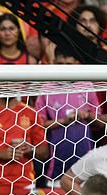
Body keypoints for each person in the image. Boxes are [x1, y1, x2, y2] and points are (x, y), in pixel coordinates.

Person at [35, 46, 100, 186]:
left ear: (76, 64)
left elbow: (99, 120)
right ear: (54, 62)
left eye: (68, 65)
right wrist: (63, 121)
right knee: (54, 190)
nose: (65, 68)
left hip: (84, 151)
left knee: (84, 189)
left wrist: (86, 115)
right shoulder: (47, 88)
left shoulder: (86, 86)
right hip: (56, 155)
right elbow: (38, 123)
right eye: (60, 64)